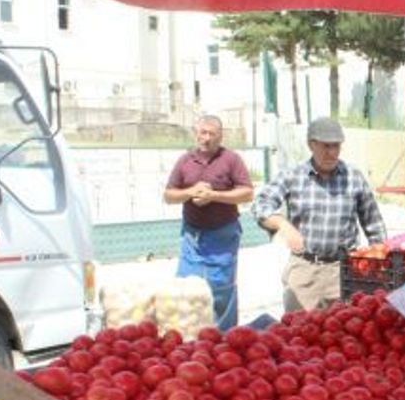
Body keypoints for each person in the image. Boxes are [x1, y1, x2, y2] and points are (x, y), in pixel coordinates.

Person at [255, 117, 387, 312]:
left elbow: (373, 223)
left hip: (344, 271)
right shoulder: (293, 176)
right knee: (299, 327)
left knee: (347, 327)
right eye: (326, 146)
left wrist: (382, 262)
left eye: (336, 146)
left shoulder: (353, 177)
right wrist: (283, 225)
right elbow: (261, 205)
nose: (331, 153)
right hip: (304, 271)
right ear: (311, 145)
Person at [163, 115, 255, 329]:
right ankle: (190, 334)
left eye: (211, 134)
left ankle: (224, 336)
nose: (206, 138)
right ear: (196, 134)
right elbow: (168, 195)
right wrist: (190, 192)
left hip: (223, 233)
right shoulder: (185, 160)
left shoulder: (231, 159)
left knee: (220, 288)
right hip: (192, 235)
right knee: (186, 287)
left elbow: (247, 193)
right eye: (202, 133)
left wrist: (214, 196)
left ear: (220, 137)